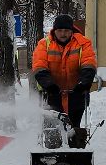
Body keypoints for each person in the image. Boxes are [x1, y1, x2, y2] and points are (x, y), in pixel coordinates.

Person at [31, 14, 98, 148]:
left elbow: (88, 63)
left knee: (74, 129)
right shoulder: (44, 44)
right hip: (51, 94)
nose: (63, 34)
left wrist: (84, 82)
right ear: (54, 31)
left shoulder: (83, 43)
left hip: (76, 93)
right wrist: (48, 85)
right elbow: (39, 66)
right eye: (60, 30)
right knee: (53, 130)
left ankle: (75, 157)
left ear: (71, 31)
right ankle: (52, 157)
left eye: (66, 31)